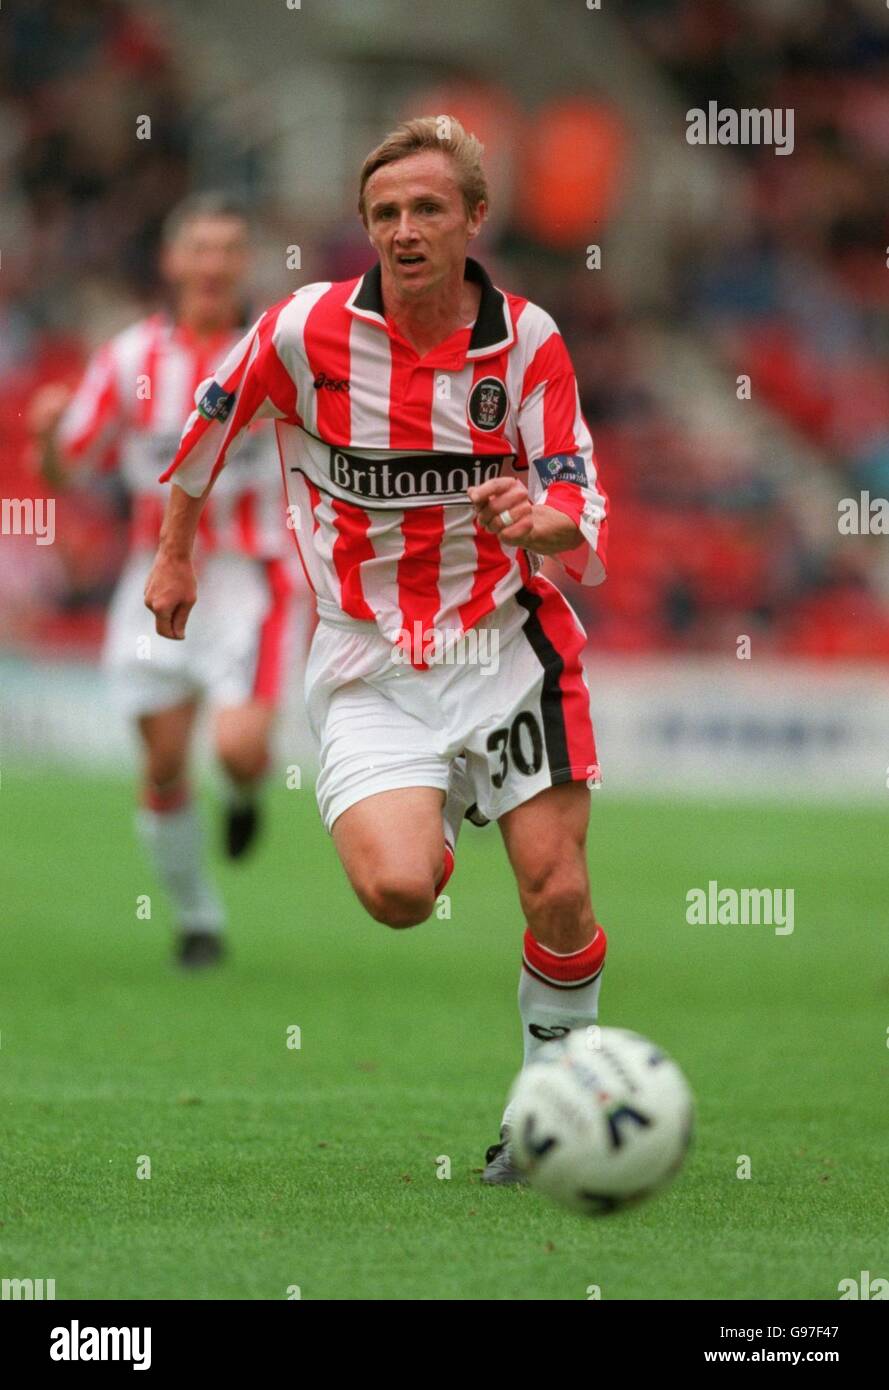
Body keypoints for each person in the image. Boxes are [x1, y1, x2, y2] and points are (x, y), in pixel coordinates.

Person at [145, 118, 610, 1179]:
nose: (404, 230)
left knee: (557, 887)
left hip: (505, 645)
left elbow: (575, 477)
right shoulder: (306, 331)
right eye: (386, 212)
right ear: (366, 226)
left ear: (473, 220)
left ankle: (548, 1105)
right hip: (368, 662)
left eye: (428, 209)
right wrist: (175, 558)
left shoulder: (527, 341)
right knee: (400, 893)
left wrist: (543, 519)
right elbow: (206, 431)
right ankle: (443, 800)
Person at [30, 193, 297, 968]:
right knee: (163, 761)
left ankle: (245, 794)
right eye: (199, 248)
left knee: (243, 749)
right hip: (155, 580)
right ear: (172, 261)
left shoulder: (279, 353)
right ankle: (198, 919)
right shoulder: (127, 359)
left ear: (244, 264)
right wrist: (48, 437)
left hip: (250, 578)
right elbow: (70, 467)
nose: (213, 264)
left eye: (228, 249)